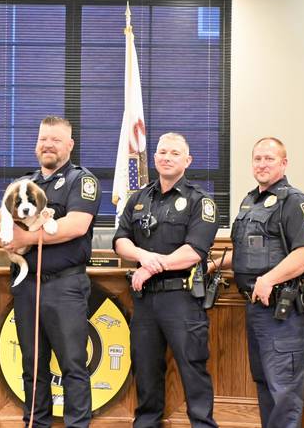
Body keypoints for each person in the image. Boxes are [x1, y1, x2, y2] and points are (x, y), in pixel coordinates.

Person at [0, 116, 101, 428]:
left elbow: (76, 226)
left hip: (64, 286)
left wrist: (25, 237)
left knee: (73, 365)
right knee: (31, 365)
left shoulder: (82, 181)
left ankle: (77, 425)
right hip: (27, 285)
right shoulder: (25, 184)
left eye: (55, 140)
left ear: (69, 145)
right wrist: (3, 214)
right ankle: (36, 423)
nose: (47, 145)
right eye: (43, 139)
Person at [113, 132, 219, 428]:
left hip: (181, 298)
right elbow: (120, 240)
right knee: (145, 370)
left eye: (174, 153)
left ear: (187, 160)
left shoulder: (201, 201)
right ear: (155, 158)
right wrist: (144, 259)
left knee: (192, 369)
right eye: (162, 152)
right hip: (145, 301)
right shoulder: (138, 198)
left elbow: (194, 251)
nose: (167, 157)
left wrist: (150, 267)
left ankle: (202, 424)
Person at [213, 137, 304, 428]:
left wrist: (269, 279)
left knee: (284, 390)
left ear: (284, 163)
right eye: (257, 158)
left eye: (269, 159)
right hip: (255, 308)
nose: (262, 164)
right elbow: (247, 254)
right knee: (264, 383)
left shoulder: (294, 200)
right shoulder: (250, 201)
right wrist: (213, 265)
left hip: (282, 312)